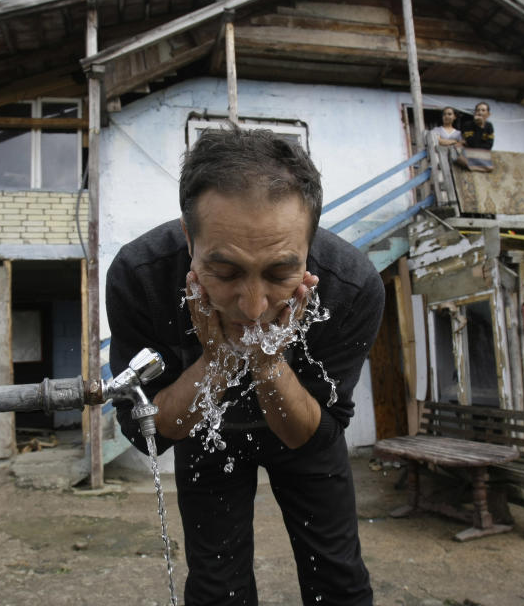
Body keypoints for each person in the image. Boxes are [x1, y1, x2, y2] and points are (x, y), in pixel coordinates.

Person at [106, 126, 384, 605]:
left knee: (337, 578)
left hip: (302, 424)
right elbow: (149, 430)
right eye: (226, 272)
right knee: (217, 586)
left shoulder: (352, 287)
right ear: (187, 236)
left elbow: (314, 436)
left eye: (280, 273)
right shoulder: (141, 278)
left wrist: (266, 358)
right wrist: (215, 361)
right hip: (206, 431)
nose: (253, 306)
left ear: (310, 243)